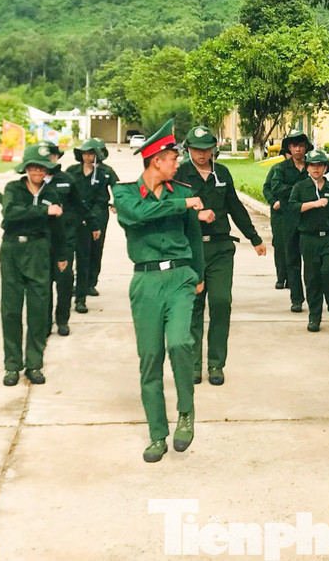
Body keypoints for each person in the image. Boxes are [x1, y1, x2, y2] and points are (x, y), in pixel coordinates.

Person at [112, 120, 206, 462]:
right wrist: (184, 205)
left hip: (180, 276)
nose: (177, 163)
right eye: (172, 157)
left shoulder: (181, 189)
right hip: (146, 282)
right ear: (155, 161)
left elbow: (194, 236)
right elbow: (138, 215)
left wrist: (198, 273)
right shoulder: (124, 193)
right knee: (150, 359)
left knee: (181, 342)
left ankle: (185, 411)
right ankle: (156, 435)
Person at [177, 126, 267, 385]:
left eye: (206, 149)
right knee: (194, 306)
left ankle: (216, 364)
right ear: (188, 149)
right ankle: (193, 364)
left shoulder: (222, 173)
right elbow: (170, 209)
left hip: (220, 249)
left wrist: (255, 238)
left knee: (220, 303)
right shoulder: (181, 173)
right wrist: (196, 215)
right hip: (191, 249)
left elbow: (235, 207)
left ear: (213, 149)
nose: (201, 154)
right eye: (196, 149)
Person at [0, 147, 62, 385]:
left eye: (41, 167)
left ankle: (34, 364)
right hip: (13, 250)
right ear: (26, 168)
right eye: (33, 166)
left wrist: (62, 255)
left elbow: (58, 226)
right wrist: (43, 211)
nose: (36, 171)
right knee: (11, 309)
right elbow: (11, 213)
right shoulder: (13, 189)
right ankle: (12, 365)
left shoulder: (52, 192)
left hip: (39, 251)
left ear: (47, 170)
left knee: (38, 310)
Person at [289, 149, 329, 332]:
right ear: (307, 168)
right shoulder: (300, 187)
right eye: (312, 165)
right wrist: (313, 204)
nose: (316, 169)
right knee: (312, 278)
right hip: (309, 238)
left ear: (325, 168)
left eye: (319, 165)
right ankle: (314, 316)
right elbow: (292, 207)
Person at [37, 141, 85, 337]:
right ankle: (45, 321)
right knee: (43, 282)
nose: (49, 160)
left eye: (52, 155)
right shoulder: (32, 181)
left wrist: (92, 223)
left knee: (64, 280)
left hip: (65, 238)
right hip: (40, 239)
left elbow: (79, 203)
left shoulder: (67, 179)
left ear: (57, 157)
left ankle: (62, 320)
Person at [263, 129, 312, 307]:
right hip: (286, 215)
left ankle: (313, 296)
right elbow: (275, 187)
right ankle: (295, 296)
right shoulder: (280, 168)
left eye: (301, 145)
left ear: (306, 148)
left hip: (309, 216)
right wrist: (299, 190)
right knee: (287, 252)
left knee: (311, 259)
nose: (297, 149)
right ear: (289, 149)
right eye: (294, 146)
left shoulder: (312, 166)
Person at [69, 137, 116, 304]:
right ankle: (79, 283)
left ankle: (90, 282)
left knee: (96, 248)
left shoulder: (106, 172)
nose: (87, 157)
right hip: (77, 214)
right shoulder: (72, 171)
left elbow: (118, 188)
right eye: (84, 154)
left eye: (91, 154)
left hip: (99, 213)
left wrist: (116, 203)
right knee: (79, 250)